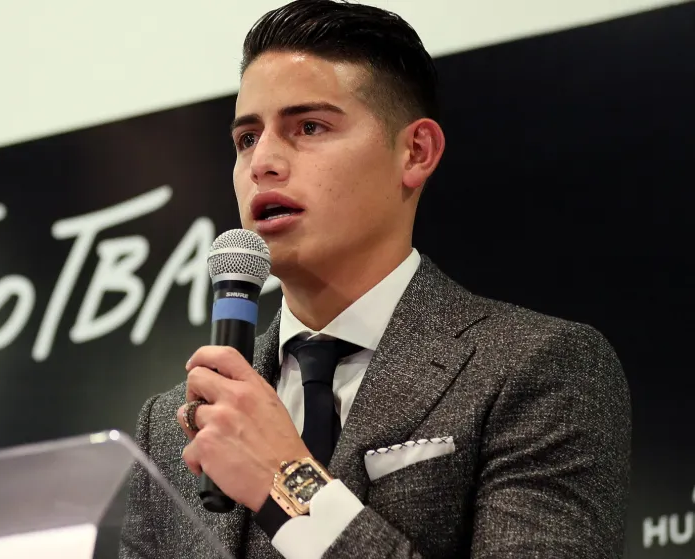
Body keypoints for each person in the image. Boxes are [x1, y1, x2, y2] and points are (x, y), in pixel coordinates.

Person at [119, 1, 631, 557]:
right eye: (246, 139)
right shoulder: (175, 427)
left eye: (309, 126)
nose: (262, 161)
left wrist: (286, 480)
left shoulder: (536, 367)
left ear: (415, 152)